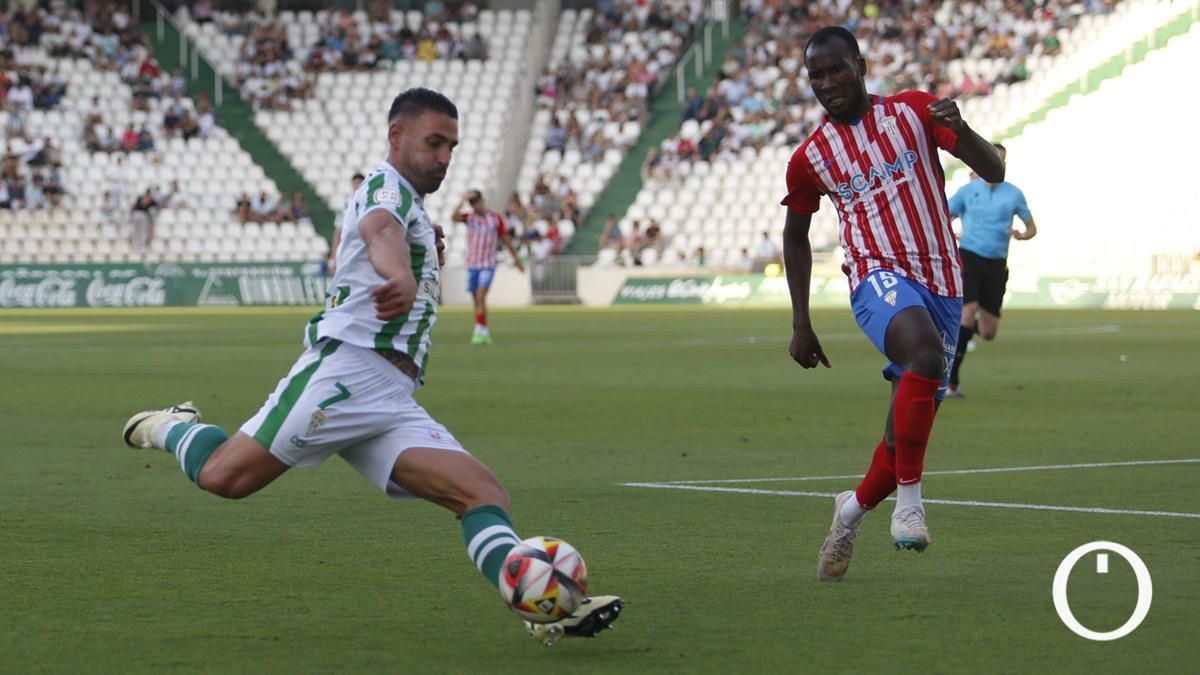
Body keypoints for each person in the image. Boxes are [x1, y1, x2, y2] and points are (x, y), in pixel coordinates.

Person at [120, 88, 622, 644]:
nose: (444, 157)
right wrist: (399, 272)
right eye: (434, 143)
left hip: (389, 393)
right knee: (224, 478)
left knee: (481, 494)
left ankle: (536, 603)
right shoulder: (384, 189)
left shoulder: (414, 207)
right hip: (344, 375)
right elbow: (378, 232)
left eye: (451, 147)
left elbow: (388, 237)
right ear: (396, 135)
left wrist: (421, 260)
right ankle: (176, 426)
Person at [779, 27, 1005, 581]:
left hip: (944, 283)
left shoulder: (913, 113)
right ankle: (910, 506)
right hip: (876, 277)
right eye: (816, 76)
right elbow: (795, 234)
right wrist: (801, 322)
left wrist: (963, 131)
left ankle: (849, 512)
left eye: (836, 70)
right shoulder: (811, 158)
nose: (827, 84)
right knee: (925, 357)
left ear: (860, 64)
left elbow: (994, 171)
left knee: (897, 439)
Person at [945, 144, 1038, 398]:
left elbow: (1031, 228)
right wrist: (948, 232)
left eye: (1001, 161)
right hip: (969, 256)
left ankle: (970, 327)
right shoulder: (967, 191)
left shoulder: (1013, 194)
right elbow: (943, 215)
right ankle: (952, 382)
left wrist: (1021, 234)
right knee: (967, 312)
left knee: (988, 332)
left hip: (996, 263)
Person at [452, 189, 525, 345]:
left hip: (488, 264)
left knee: (480, 295)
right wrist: (462, 200)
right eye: (471, 203)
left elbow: (506, 240)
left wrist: (517, 260)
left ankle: (479, 330)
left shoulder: (495, 219)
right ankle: (483, 329)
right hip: (472, 264)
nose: (473, 206)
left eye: (475, 202)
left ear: (481, 201)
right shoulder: (469, 218)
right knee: (476, 299)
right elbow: (453, 217)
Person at [331, 173, 366, 265]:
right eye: (355, 183)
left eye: (359, 183)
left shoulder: (368, 203)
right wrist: (334, 254)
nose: (357, 185)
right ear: (352, 184)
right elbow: (338, 230)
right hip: (348, 247)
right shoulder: (346, 204)